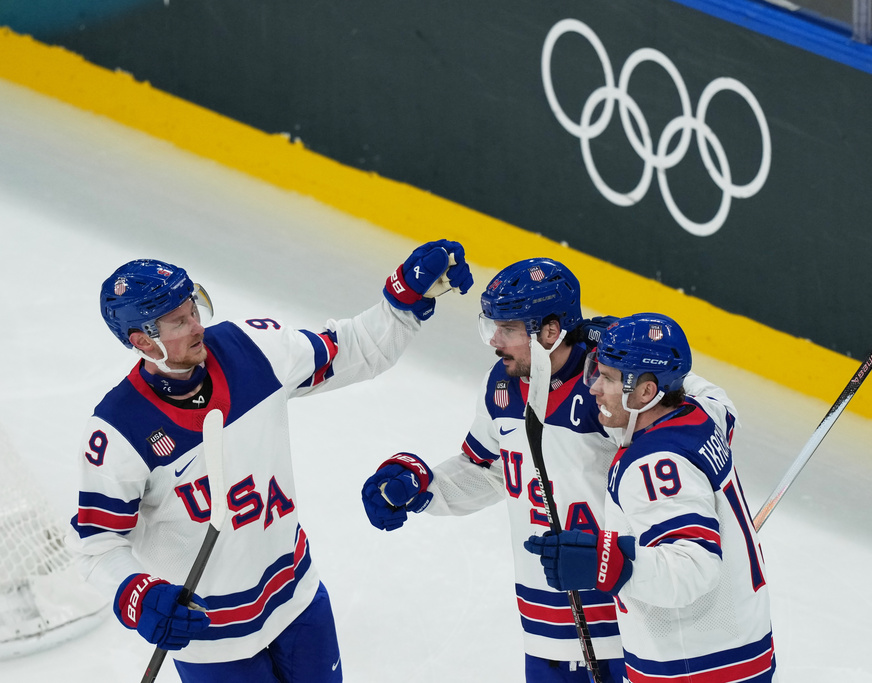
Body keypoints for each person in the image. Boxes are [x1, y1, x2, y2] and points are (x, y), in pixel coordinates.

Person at [66, 240, 472, 683]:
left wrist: (402, 304)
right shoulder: (119, 430)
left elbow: (351, 351)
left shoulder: (253, 348)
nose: (197, 324)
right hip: (209, 635)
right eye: (179, 322)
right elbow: (96, 543)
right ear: (143, 340)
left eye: (193, 309)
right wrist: (137, 595)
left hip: (297, 600)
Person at [361, 259, 734, 683]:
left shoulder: (612, 389)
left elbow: (704, 412)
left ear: (551, 332)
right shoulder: (500, 388)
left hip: (621, 630)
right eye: (491, 327)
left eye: (508, 329)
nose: (494, 341)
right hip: (543, 630)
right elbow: (491, 471)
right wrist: (423, 488)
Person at [524, 313, 776, 683]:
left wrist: (607, 564)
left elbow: (692, 568)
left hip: (696, 666)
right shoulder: (704, 413)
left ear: (645, 392)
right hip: (736, 650)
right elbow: (715, 395)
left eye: (607, 378)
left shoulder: (655, 465)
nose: (593, 387)